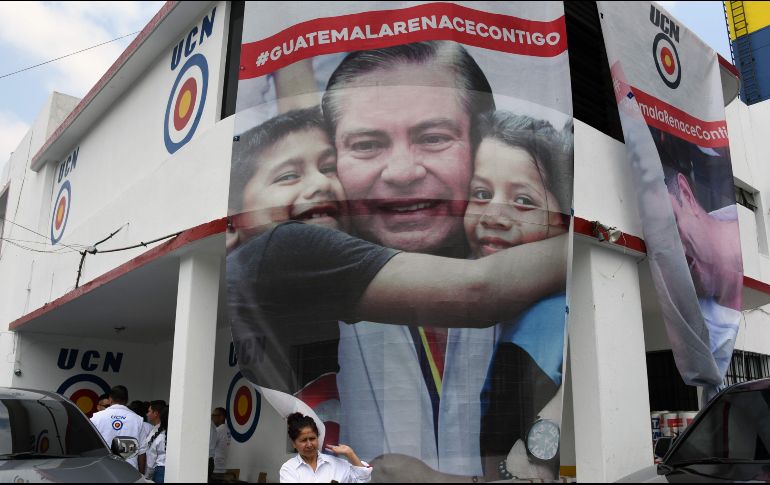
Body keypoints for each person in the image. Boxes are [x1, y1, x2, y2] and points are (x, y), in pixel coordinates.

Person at [467, 112, 573, 480]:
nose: (494, 215)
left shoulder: (546, 320)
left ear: (561, 220)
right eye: (480, 194)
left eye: (524, 201)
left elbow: (509, 455)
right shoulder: (497, 313)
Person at [279, 412, 371, 483]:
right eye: (303, 440)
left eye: (312, 438)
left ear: (317, 437)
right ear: (293, 443)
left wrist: (350, 453)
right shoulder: (289, 468)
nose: (309, 444)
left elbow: (362, 478)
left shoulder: (335, 464)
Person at [90, 385, 148, 472]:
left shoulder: (96, 418)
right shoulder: (138, 420)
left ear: (110, 399)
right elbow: (142, 451)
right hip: (129, 471)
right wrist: (141, 475)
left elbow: (90, 447)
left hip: (103, 470)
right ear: (127, 400)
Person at [145, 401, 168, 483]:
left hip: (159, 471)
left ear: (156, 413)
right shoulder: (156, 429)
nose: (147, 414)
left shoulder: (160, 433)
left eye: (149, 411)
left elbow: (152, 455)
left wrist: (147, 475)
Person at [210, 407, 231, 481]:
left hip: (215, 469)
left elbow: (209, 447)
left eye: (214, 415)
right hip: (222, 468)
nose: (212, 417)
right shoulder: (227, 430)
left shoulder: (218, 430)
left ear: (221, 417)